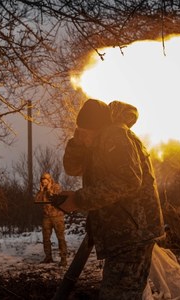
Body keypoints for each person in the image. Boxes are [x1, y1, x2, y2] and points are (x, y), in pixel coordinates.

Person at [59, 99, 165, 299]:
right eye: (79, 130)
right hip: (124, 235)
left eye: (85, 132)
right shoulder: (98, 141)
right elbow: (72, 168)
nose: (84, 138)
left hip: (133, 234)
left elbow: (128, 180)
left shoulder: (115, 136)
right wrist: (77, 140)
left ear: (97, 128)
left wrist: (80, 200)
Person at [34, 172, 68, 266]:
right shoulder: (42, 189)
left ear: (49, 181)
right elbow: (36, 200)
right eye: (42, 182)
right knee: (46, 239)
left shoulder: (56, 187)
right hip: (46, 218)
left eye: (45, 181)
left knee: (61, 238)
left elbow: (56, 197)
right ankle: (48, 257)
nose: (43, 183)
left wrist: (49, 189)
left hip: (57, 217)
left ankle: (63, 259)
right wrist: (41, 191)